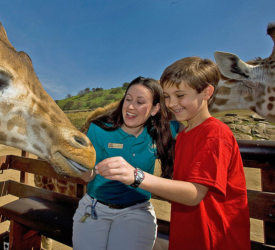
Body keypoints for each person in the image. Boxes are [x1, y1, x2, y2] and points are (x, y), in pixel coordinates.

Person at [96, 57, 250, 250]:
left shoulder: (214, 133)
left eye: (180, 95)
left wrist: (136, 176)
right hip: (188, 238)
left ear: (206, 92)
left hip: (215, 241)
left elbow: (194, 194)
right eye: (167, 96)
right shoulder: (184, 135)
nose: (171, 103)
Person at [72, 77, 182, 250]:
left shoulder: (162, 131)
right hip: (95, 208)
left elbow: (195, 121)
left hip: (136, 211)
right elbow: (89, 174)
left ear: (154, 109)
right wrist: (82, 169)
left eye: (140, 102)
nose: (130, 107)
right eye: (128, 99)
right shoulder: (99, 129)